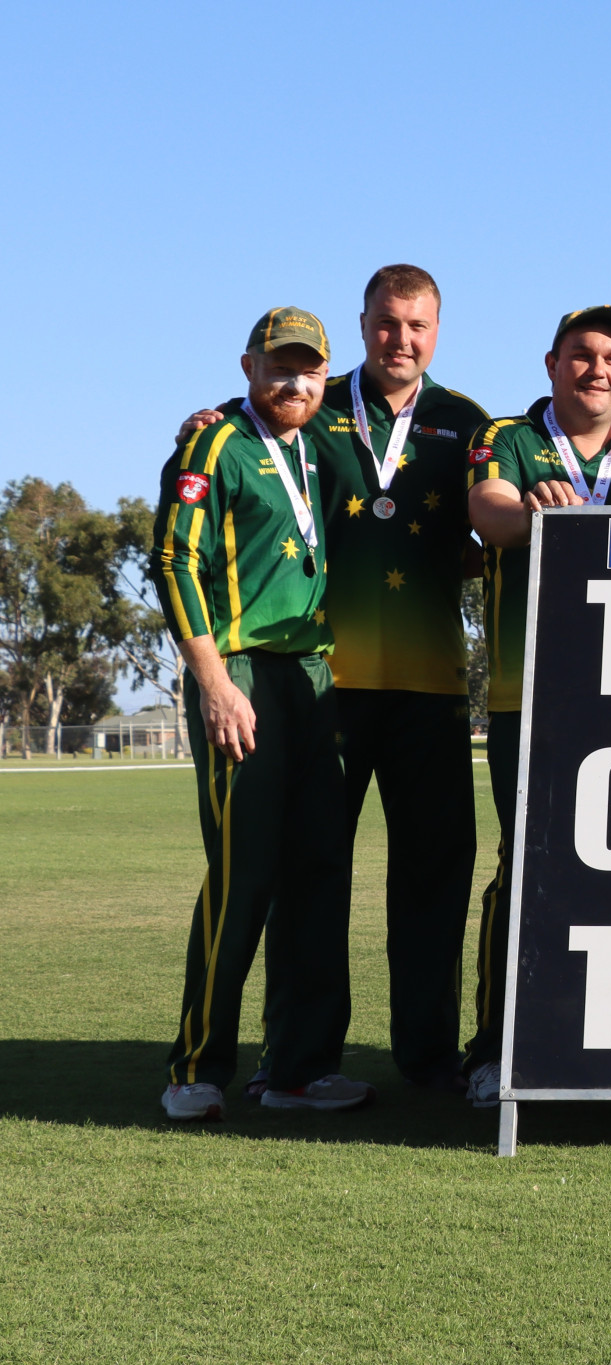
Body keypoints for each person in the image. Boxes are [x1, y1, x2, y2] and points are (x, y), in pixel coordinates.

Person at [173, 265, 490, 1098]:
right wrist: (203, 421)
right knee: (306, 873)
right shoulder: (318, 405)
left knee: (434, 875)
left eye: (417, 325)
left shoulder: (466, 422)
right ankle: (295, 1057)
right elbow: (257, 425)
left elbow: (489, 525)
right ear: (362, 323)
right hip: (325, 684)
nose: (400, 339)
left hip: (430, 686)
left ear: (437, 331)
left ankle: (429, 1060)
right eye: (386, 322)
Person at [150, 308, 370, 1119]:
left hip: (313, 675)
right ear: (248, 367)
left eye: (309, 368)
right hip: (240, 671)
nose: (294, 381)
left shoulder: (325, 445)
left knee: (320, 873)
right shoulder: (215, 443)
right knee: (244, 875)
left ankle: (299, 1070)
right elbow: (173, 557)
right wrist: (212, 680)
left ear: (326, 375)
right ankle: (195, 1068)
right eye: (280, 365)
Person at [462, 306, 611, 1106]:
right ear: (552, 364)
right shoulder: (511, 438)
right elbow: (488, 514)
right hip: (529, 698)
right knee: (523, 868)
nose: (597, 369)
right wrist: (536, 516)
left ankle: (602, 1046)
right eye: (582, 354)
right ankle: (494, 1048)